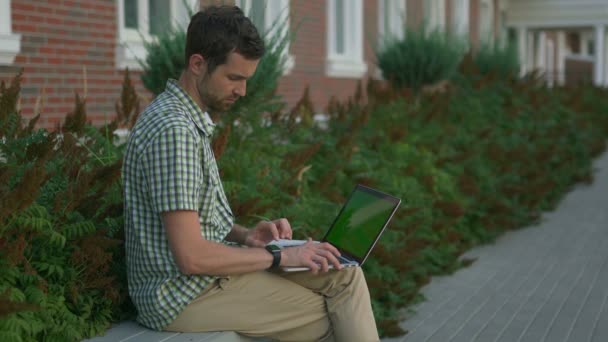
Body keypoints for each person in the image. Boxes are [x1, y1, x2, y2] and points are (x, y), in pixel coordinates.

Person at [122, 5, 379, 341]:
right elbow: (191, 256)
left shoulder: (184, 120)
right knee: (330, 312)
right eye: (234, 78)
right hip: (183, 294)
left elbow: (191, 220)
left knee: (345, 275)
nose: (242, 91)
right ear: (198, 64)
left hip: (206, 279)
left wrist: (247, 237)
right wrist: (279, 255)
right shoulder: (174, 131)